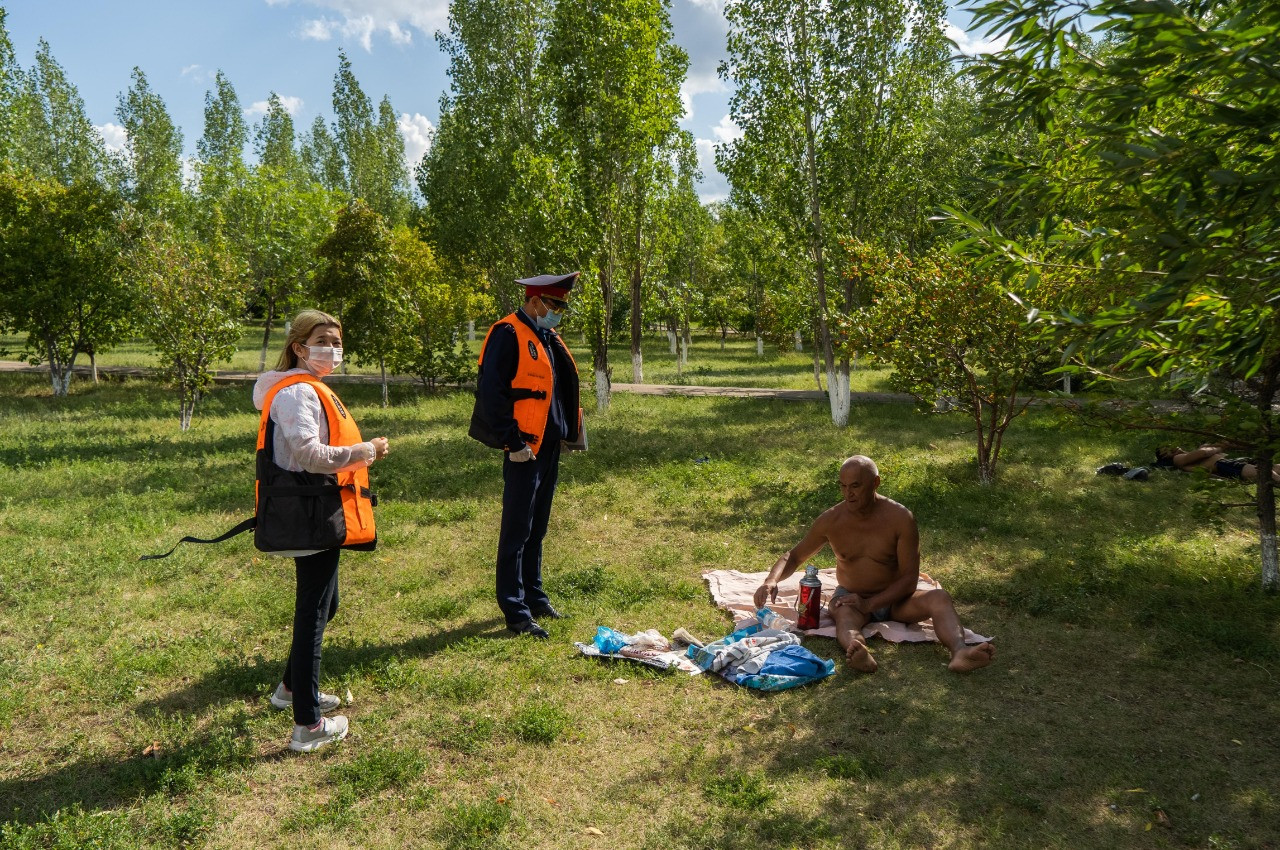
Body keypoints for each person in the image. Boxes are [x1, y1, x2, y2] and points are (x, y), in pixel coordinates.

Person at [252, 310, 389, 752]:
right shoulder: (296, 394)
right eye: (323, 341)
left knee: (326, 604)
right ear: (299, 347)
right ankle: (306, 726)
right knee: (313, 611)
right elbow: (310, 454)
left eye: (336, 341)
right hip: (310, 511)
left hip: (316, 509)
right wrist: (364, 451)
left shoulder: (304, 388)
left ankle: (290, 689)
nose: (332, 349)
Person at [752, 456, 995, 674]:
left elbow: (910, 579)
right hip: (851, 597)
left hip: (896, 599)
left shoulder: (900, 518)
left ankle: (960, 652)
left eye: (856, 486)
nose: (849, 494)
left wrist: (871, 604)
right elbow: (793, 556)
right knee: (844, 615)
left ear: (875, 483)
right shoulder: (831, 520)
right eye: (843, 486)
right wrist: (771, 581)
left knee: (940, 597)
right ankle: (860, 653)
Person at [469, 273, 582, 639]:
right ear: (535, 301)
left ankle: (534, 596)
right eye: (555, 305)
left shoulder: (546, 336)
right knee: (517, 530)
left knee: (537, 527)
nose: (559, 313)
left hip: (548, 446)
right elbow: (492, 393)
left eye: (562, 306)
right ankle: (515, 611)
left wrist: (568, 432)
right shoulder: (508, 332)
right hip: (523, 448)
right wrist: (512, 442)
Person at [1154, 445, 1280, 483]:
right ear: (1166, 455)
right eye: (1169, 447)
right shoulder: (1178, 458)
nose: (1175, 445)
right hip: (1224, 465)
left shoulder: (1183, 455)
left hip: (1231, 462)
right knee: (1265, 472)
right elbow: (1203, 453)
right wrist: (1216, 449)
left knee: (1274, 468)